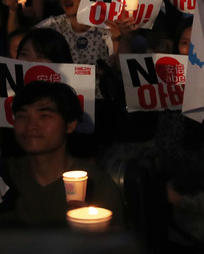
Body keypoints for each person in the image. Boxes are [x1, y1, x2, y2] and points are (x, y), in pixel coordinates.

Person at [0, 82, 124, 227]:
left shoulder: (95, 185)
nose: (31, 125)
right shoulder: (6, 175)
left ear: (70, 124)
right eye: (21, 116)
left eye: (44, 116)